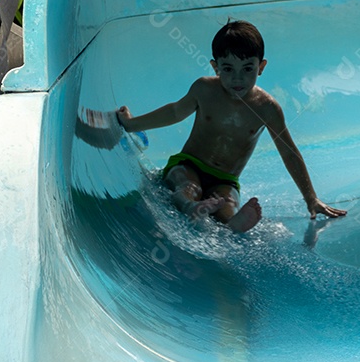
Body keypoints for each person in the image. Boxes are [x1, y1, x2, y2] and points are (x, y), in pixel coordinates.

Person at [117, 20, 346, 233]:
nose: (238, 78)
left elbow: (288, 152)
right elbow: (175, 112)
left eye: (247, 69)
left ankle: (231, 223)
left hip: (225, 179)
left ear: (261, 67)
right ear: (215, 67)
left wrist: (311, 198)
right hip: (189, 164)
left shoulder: (267, 108)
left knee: (227, 202)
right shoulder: (204, 90)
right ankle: (190, 206)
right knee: (187, 186)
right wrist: (131, 123)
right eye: (228, 69)